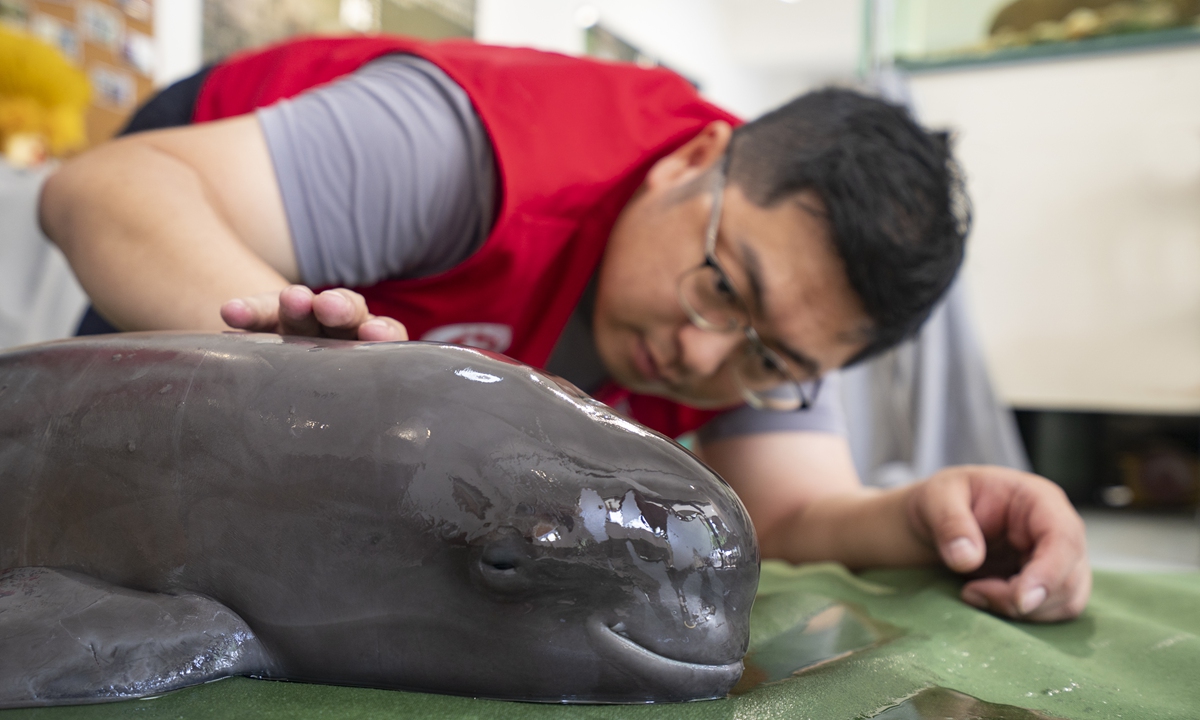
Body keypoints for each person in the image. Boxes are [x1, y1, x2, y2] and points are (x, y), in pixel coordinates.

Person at [39, 35, 1089, 622]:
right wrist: (306, 373)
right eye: (724, 288)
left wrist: (925, 517)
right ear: (693, 163)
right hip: (209, 217)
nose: (702, 355)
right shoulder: (463, 153)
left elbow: (790, 510)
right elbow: (101, 192)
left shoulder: (771, 318)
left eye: (773, 360)